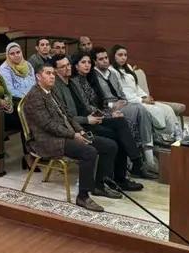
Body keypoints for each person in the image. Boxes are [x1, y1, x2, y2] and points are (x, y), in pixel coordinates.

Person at [22, 63, 120, 212]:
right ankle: (83, 196)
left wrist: (80, 131)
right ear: (38, 77)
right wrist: (73, 135)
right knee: (89, 152)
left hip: (67, 134)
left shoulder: (52, 91)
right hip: (48, 140)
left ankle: (99, 186)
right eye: (48, 73)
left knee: (110, 145)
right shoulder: (34, 96)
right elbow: (48, 125)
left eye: (53, 73)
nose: (52, 76)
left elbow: (68, 115)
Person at [52, 55, 144, 190]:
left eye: (68, 65)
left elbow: (86, 106)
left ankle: (133, 163)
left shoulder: (72, 82)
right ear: (55, 70)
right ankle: (118, 178)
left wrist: (106, 114)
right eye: (63, 66)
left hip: (89, 119)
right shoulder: (56, 88)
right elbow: (65, 117)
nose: (67, 68)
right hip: (79, 126)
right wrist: (87, 119)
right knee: (117, 137)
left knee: (120, 122)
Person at [72, 52, 157, 176]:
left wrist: (111, 111)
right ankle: (134, 166)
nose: (87, 65)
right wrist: (109, 114)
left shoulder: (90, 79)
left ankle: (134, 165)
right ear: (76, 66)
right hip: (88, 121)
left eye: (89, 62)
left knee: (121, 122)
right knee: (119, 131)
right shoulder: (75, 82)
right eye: (83, 62)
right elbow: (87, 107)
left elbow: (100, 102)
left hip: (99, 115)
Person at [110, 45, 181, 143]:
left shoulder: (128, 67)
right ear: (113, 56)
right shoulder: (112, 72)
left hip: (140, 99)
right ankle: (163, 138)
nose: (123, 58)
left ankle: (177, 136)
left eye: (125, 55)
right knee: (157, 111)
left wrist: (145, 96)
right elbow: (124, 94)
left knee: (167, 109)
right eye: (120, 55)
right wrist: (142, 100)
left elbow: (136, 87)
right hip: (131, 103)